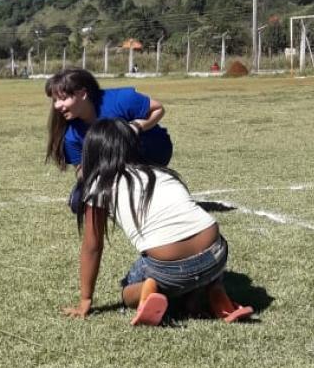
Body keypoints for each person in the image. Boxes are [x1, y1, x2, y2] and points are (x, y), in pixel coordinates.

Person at [62, 119, 253, 325]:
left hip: (169, 270)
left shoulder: (100, 186)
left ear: (92, 152)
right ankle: (215, 291)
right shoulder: (160, 172)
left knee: (128, 290)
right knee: (198, 256)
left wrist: (85, 299)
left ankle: (150, 289)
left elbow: (92, 247)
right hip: (217, 254)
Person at [45, 67, 172, 213]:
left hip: (152, 151)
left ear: (83, 94)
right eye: (55, 100)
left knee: (135, 194)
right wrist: (88, 182)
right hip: (112, 164)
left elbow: (158, 109)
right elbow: (81, 169)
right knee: (78, 202)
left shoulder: (121, 100)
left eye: (63, 99)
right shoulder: (71, 135)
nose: (57, 106)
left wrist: (137, 127)